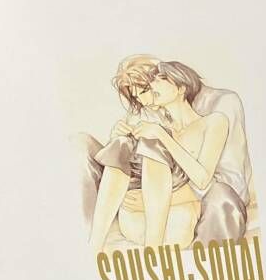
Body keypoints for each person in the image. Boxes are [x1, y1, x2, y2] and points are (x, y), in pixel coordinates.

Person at [86, 56, 230, 252]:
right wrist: (117, 137)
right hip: (135, 215)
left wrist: (161, 136)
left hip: (174, 217)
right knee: (122, 144)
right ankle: (94, 244)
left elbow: (204, 181)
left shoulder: (214, 122)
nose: (147, 96)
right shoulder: (153, 122)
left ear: (181, 87)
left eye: (159, 81)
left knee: (151, 144)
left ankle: (152, 251)